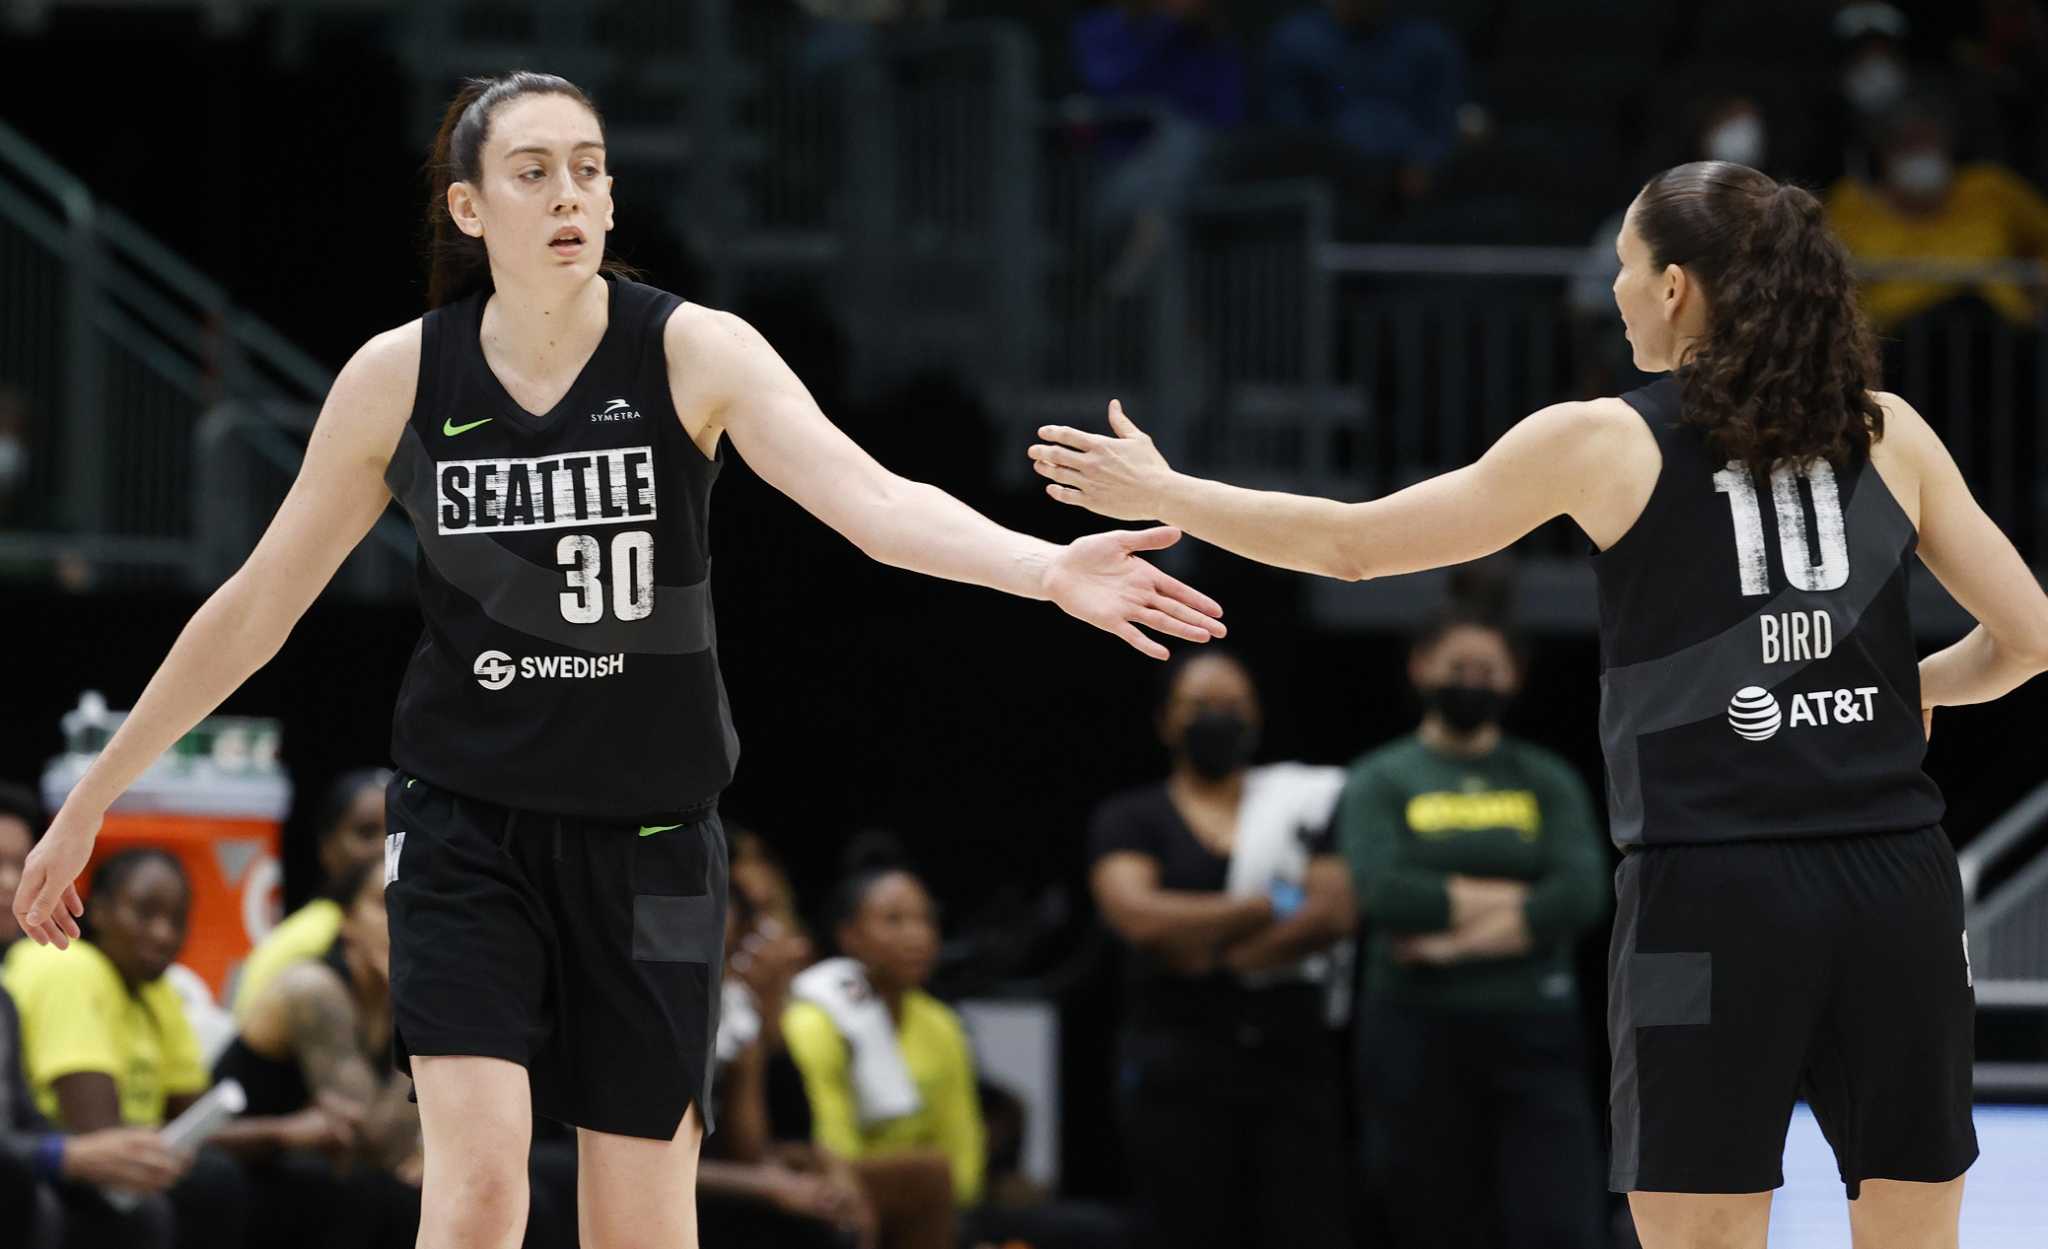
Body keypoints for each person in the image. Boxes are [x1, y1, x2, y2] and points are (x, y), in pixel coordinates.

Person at [12, 69, 1224, 1249]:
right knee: (478, 1195)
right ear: (469, 207)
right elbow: (256, 604)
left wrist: (1043, 567)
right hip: (463, 827)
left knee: (639, 1222)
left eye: (588, 171)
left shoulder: (693, 351)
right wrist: (97, 794)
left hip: (650, 836)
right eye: (532, 173)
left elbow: (874, 501)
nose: (569, 198)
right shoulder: (399, 377)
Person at [1031, 159, 2048, 1248]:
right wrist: (1891, 693)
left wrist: (1168, 493)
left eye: (1622, 264)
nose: (1611, 290)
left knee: (1699, 1234)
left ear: (1674, 289)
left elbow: (1354, 546)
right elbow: (2029, 640)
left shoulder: (1599, 437)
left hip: (1705, 891)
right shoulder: (1887, 429)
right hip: (1894, 885)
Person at [1338, 609, 1607, 1249]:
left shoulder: (1548, 779)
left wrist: (1450, 941)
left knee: (1557, 1222)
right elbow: (1386, 892)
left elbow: (1580, 894)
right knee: (1428, 1214)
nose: (1472, 681)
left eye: (1487, 669)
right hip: (1412, 1028)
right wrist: (1519, 903)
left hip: (1534, 1029)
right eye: (1457, 667)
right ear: (1421, 668)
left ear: (1513, 679)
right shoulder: (1382, 777)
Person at [1086, 650, 1353, 1249]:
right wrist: (1270, 903)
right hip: (1175, 1055)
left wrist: (1220, 956)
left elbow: (1332, 910)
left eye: (1233, 706)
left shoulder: (1301, 803)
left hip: (1288, 1055)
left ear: (1257, 718)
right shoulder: (1131, 817)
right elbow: (1140, 917)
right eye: (1200, 706)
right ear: (1165, 721)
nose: (1218, 718)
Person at [6, 848, 363, 1249]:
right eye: (145, 913)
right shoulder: (66, 966)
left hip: (134, 1155)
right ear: (98, 910)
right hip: (53, 1161)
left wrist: (289, 1136)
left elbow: (194, 1122)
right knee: (211, 1183)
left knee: (311, 1184)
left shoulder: (156, 989)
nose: (163, 934)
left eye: (178, 920)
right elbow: (102, 1138)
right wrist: (284, 1132)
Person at [214, 857, 426, 1249]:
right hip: (240, 1164)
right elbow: (374, 1137)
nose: (401, 921)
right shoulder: (313, 990)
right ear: (346, 922)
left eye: (416, 906)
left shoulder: (393, 997)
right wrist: (429, 1009)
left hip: (320, 1171)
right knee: (380, 1196)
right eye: (384, 905)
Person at [782, 867, 979, 1249]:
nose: (917, 936)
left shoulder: (942, 1025)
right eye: (894, 920)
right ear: (849, 935)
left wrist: (950, 1201)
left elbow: (962, 1145)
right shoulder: (813, 1023)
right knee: (928, 1174)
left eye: (925, 920)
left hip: (932, 1205)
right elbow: (831, 1147)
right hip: (833, 1184)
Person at [231, 767, 391, 1023]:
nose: (384, 848)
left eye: (395, 834)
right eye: (367, 832)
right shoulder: (310, 940)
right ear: (326, 847)